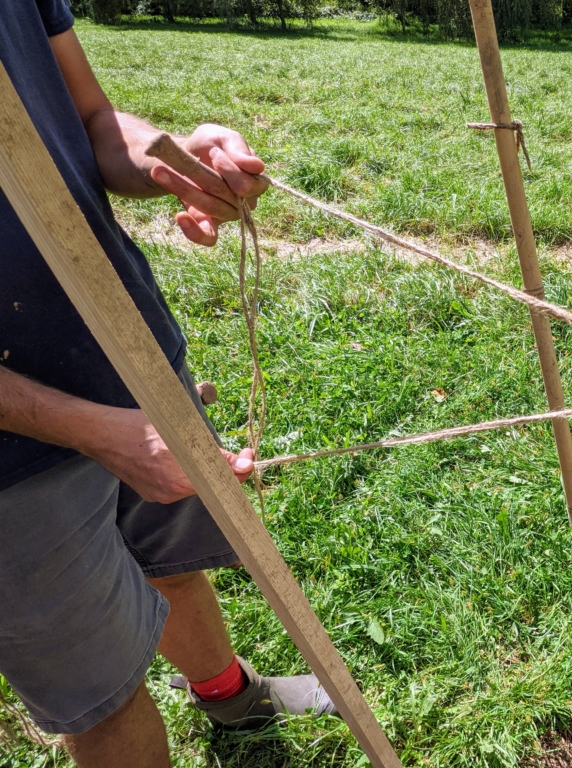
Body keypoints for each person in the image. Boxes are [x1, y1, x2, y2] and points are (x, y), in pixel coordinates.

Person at [0, 3, 338, 766]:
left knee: (173, 563)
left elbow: (85, 116)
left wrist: (171, 160)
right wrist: (99, 432)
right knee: (107, 701)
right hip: (11, 459)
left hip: (127, 351)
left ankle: (230, 695)